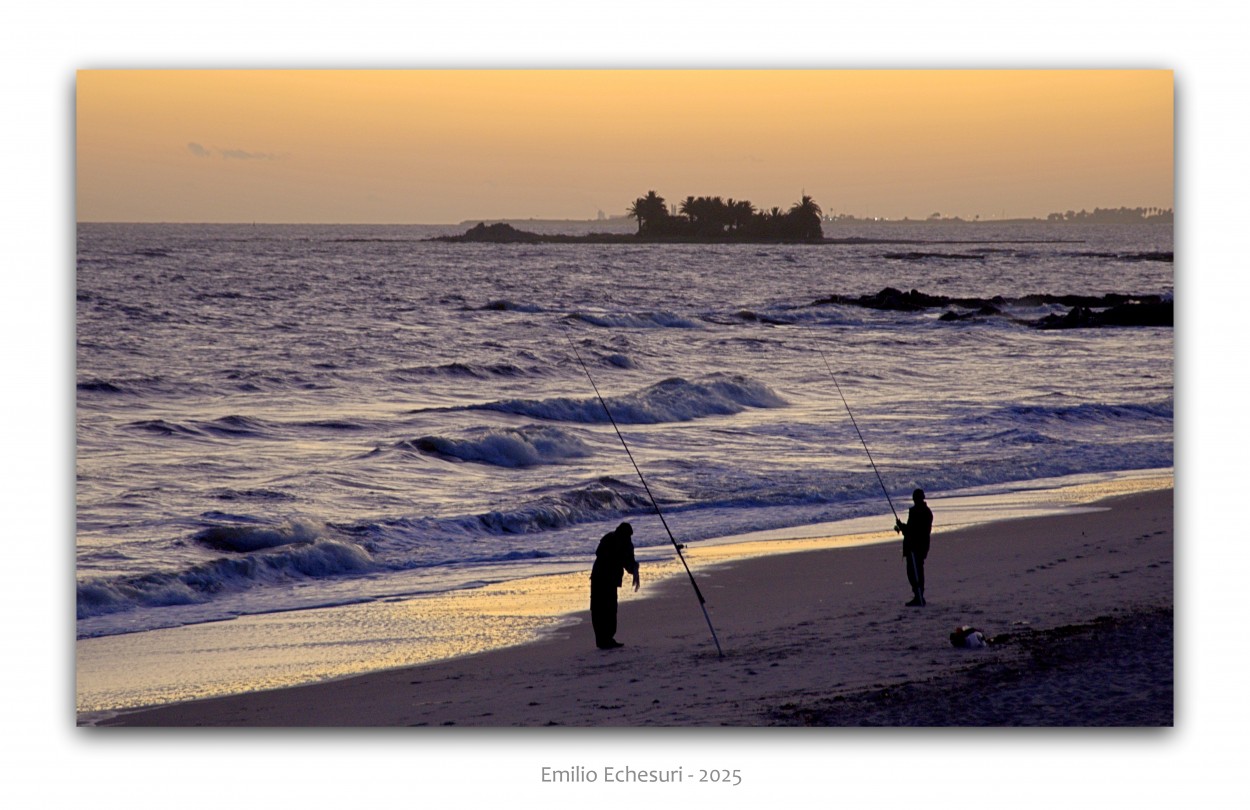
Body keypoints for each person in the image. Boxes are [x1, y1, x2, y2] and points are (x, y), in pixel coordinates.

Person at [590, 522, 640, 649]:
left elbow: (629, 563)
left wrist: (634, 568)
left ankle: (607, 638)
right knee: (598, 609)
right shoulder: (609, 539)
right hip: (600, 578)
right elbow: (599, 553)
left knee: (610, 609)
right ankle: (602, 640)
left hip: (611, 580)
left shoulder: (627, 545)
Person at [895, 488, 933, 607]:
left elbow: (912, 531)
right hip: (921, 546)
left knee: (914, 573)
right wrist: (902, 527)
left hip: (915, 547)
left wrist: (901, 526)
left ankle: (919, 597)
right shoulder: (926, 511)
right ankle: (918, 595)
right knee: (917, 571)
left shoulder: (917, 512)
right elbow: (914, 530)